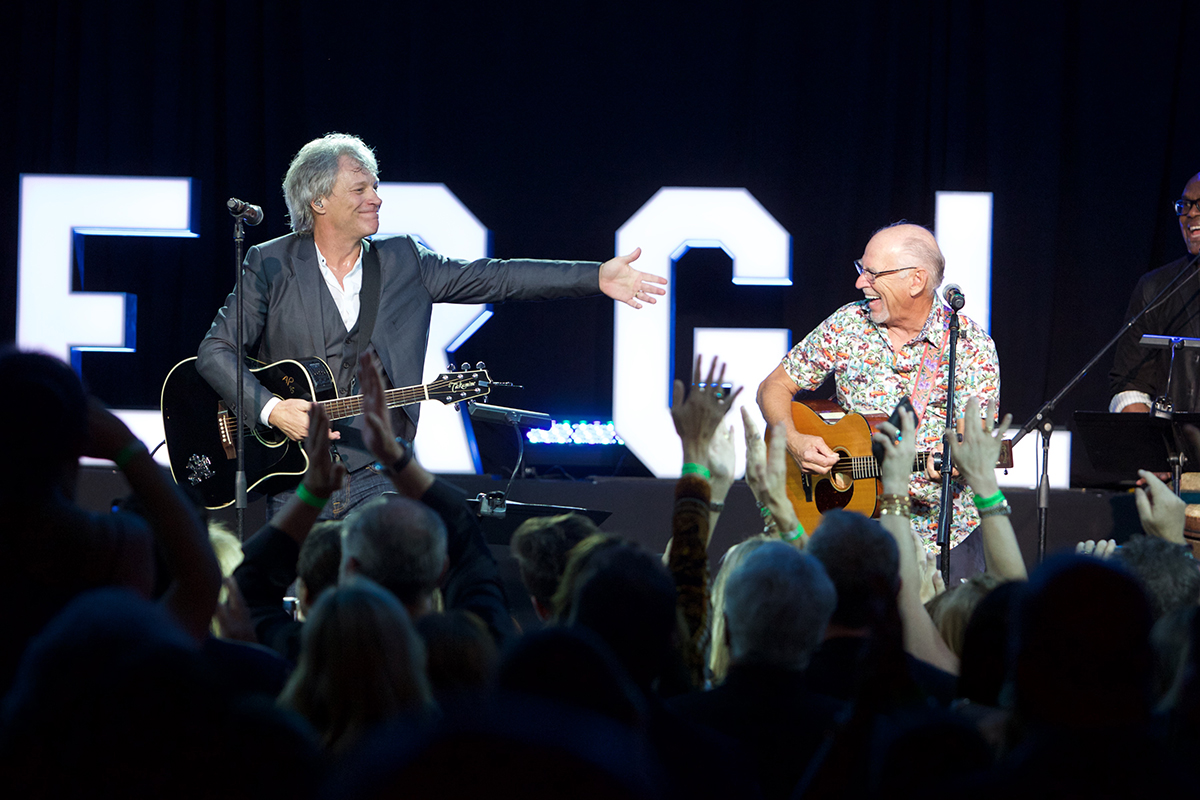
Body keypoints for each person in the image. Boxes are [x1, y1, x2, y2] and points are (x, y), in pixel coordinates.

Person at [196, 132, 666, 518]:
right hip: (293, 480)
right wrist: (272, 409)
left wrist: (594, 277)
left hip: (376, 474)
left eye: (375, 187)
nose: (376, 198)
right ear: (319, 202)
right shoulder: (270, 262)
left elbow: (498, 277)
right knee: (305, 613)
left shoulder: (404, 260)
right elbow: (215, 351)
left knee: (383, 601)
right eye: (360, 190)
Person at [756, 222, 1000, 552]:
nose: (860, 282)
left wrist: (956, 459)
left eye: (873, 274)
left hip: (940, 538)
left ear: (916, 280)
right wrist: (796, 440)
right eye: (861, 269)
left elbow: (974, 437)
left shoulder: (971, 346)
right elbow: (773, 387)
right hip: (852, 534)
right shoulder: (847, 324)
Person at [1110, 172, 1200, 413]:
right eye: (1185, 205)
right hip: (1177, 447)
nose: (1190, 213)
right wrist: (1162, 445)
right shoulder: (1155, 288)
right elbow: (1129, 387)